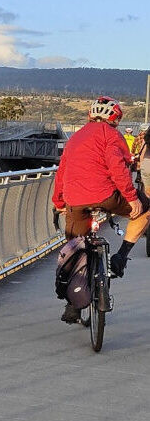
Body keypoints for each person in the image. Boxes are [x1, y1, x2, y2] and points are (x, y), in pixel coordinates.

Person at [52, 96, 150, 324]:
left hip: (74, 200)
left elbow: (62, 173)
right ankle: (121, 256)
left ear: (89, 116)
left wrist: (58, 203)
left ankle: (73, 306)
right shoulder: (112, 135)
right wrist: (131, 198)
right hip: (106, 196)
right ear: (115, 120)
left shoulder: (74, 139)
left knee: (75, 246)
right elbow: (118, 167)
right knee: (145, 210)